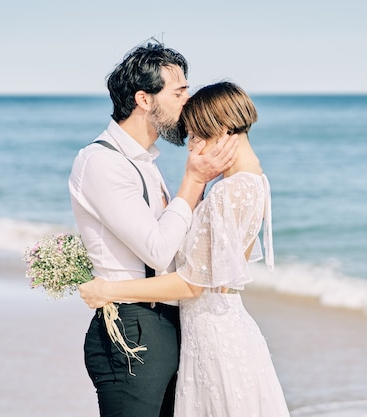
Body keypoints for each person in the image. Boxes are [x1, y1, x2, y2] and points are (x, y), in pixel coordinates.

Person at [79, 81, 291, 417]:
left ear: (221, 129)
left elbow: (193, 284)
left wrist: (109, 289)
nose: (191, 147)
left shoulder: (226, 192)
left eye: (195, 136)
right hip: (224, 328)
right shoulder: (253, 182)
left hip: (214, 339)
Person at [68, 42, 239, 417]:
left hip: (163, 323)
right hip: (132, 330)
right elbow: (157, 250)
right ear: (144, 99)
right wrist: (193, 182)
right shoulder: (102, 163)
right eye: (179, 92)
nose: (188, 101)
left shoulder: (146, 162)